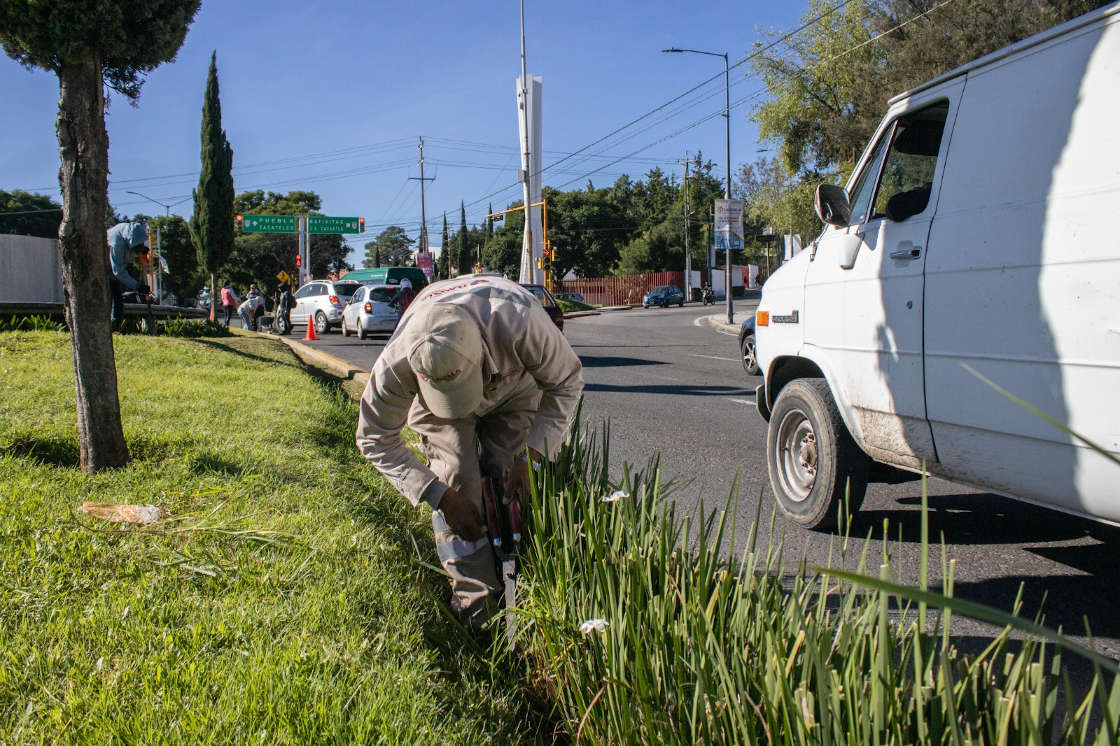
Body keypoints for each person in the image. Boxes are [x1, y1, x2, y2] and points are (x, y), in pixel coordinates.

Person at [356, 274, 583, 630]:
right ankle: (477, 611)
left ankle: (521, 590)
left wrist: (532, 455)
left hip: (511, 386)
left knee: (512, 481)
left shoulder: (519, 321)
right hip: (435, 405)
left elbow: (567, 382)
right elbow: (373, 437)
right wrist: (439, 495)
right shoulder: (397, 362)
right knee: (458, 480)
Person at [106, 221, 150, 328]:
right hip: (106, 267)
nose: (138, 248)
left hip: (116, 267)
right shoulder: (117, 244)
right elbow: (118, 271)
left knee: (117, 295)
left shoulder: (134, 231)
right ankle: (114, 324)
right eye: (137, 246)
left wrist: (142, 249)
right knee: (115, 294)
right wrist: (137, 286)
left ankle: (117, 322)